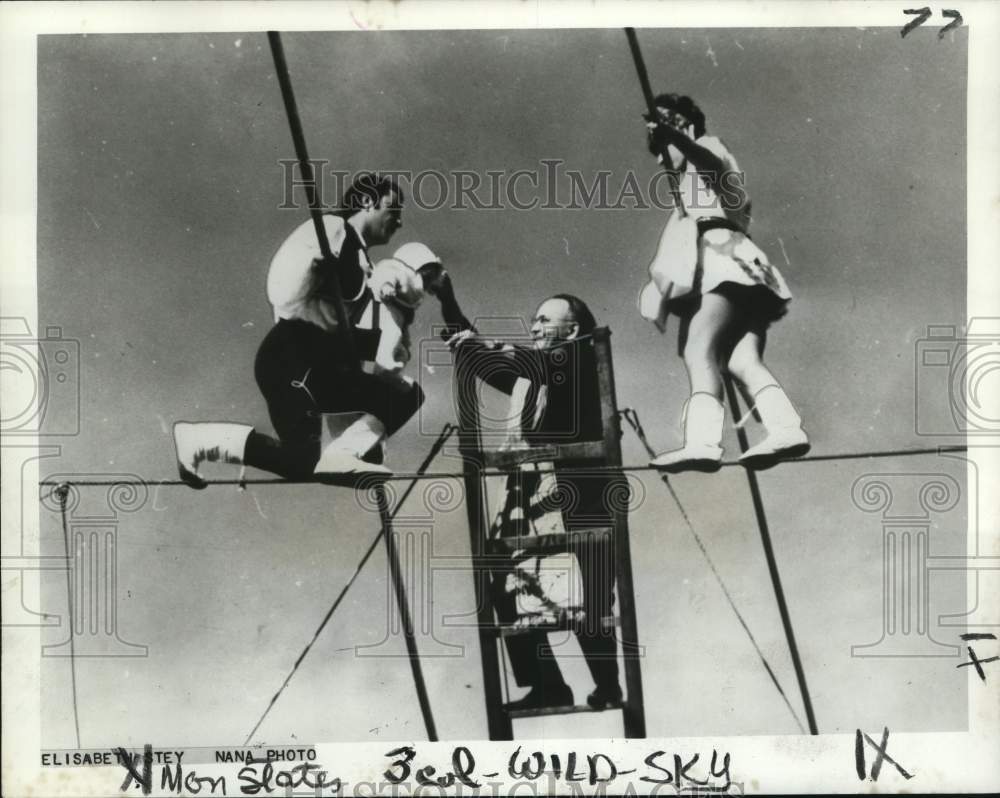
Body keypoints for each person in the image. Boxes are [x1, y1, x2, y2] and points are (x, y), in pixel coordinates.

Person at [173, 173, 439, 486]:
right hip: (290, 357)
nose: (399, 222)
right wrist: (313, 266)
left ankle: (343, 454)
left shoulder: (360, 259)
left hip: (319, 362)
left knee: (403, 396)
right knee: (303, 460)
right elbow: (281, 293)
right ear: (368, 201)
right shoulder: (332, 230)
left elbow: (346, 346)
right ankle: (199, 439)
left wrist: (361, 438)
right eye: (394, 210)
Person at [432, 278, 624, 711]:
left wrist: (485, 342)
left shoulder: (581, 360)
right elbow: (482, 360)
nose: (534, 326)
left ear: (571, 330)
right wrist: (447, 301)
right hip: (529, 494)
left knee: (588, 597)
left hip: (579, 499)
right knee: (504, 579)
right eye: (534, 319)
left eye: (544, 320)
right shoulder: (530, 375)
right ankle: (546, 683)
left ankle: (607, 684)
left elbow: (536, 363)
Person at [638, 93, 810, 471]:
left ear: (684, 126)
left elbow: (709, 161)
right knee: (741, 360)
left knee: (697, 351)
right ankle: (785, 428)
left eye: (664, 145)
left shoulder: (708, 150)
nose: (662, 158)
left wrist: (675, 135)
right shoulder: (693, 196)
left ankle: (702, 443)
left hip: (722, 261)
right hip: (743, 268)